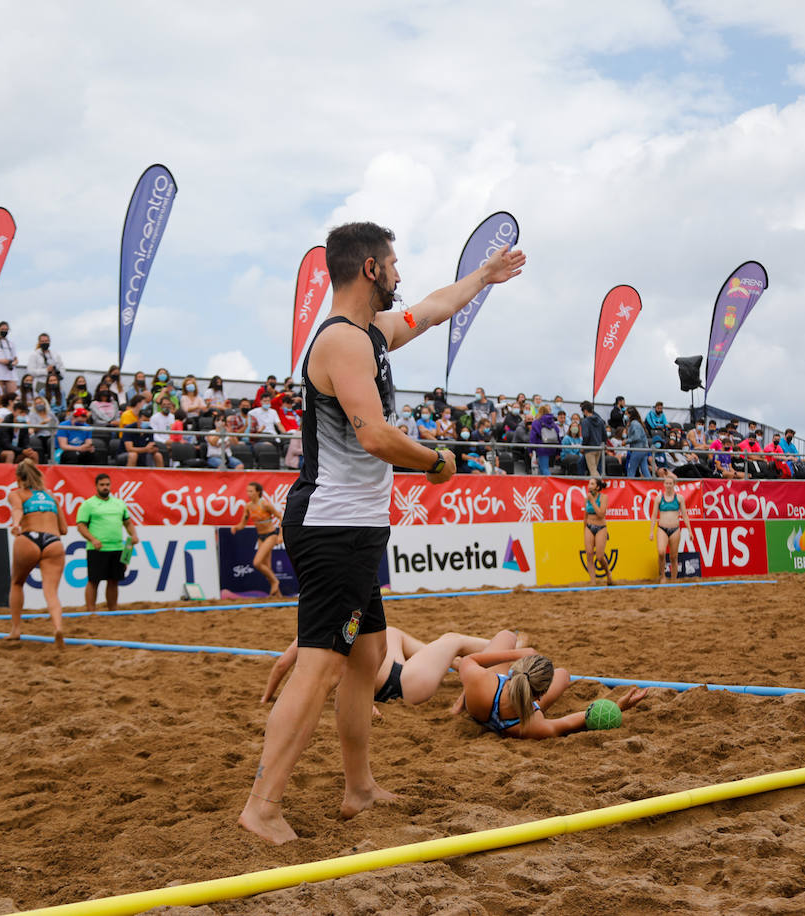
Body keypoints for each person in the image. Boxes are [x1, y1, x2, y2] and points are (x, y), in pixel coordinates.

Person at [240, 221, 524, 845]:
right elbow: (372, 436)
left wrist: (484, 277)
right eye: (393, 264)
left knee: (366, 660)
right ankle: (262, 806)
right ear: (369, 269)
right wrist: (437, 462)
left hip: (356, 526)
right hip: (334, 525)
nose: (400, 275)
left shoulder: (373, 334)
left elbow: (431, 309)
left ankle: (359, 788)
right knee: (318, 667)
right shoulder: (343, 341)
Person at [263, 627, 514, 709]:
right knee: (452, 639)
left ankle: (452, 661)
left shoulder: (309, 633)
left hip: (389, 679)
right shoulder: (344, 622)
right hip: (402, 684)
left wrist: (266, 698)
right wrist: (366, 707)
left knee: (392, 633)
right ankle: (507, 648)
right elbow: (341, 674)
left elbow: (282, 664)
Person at [454, 638, 646, 739]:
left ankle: (462, 697)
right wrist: (617, 707)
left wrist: (519, 652)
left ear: (515, 670)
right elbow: (572, 721)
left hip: (483, 701)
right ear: (540, 696)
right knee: (562, 674)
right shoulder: (535, 725)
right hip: (514, 717)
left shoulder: (480, 681)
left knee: (506, 635)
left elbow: (468, 660)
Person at [7, 459, 67, 645]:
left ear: (18, 477)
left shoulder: (17, 494)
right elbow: (64, 529)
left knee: (17, 583)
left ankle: (16, 629)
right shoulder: (51, 496)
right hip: (53, 541)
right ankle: (58, 627)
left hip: (29, 538)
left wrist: (16, 524)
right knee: (51, 592)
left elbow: (17, 510)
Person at [76, 473, 138, 614]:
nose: (105, 487)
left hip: (117, 547)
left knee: (114, 580)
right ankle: (91, 611)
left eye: (107, 485)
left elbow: (127, 522)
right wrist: (92, 539)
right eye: (102, 485)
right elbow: (80, 526)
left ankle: (113, 610)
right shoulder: (88, 504)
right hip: (97, 549)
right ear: (96, 486)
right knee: (94, 581)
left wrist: (133, 535)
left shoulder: (119, 503)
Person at [231, 481, 283, 597]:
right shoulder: (248, 506)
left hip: (271, 535)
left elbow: (281, 517)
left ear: (258, 492)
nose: (248, 493)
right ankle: (278, 596)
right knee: (267, 568)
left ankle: (275, 582)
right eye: (247, 491)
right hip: (261, 537)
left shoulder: (265, 505)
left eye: (251, 491)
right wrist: (236, 527)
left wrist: (281, 536)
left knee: (257, 562)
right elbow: (242, 524)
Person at [649, 473, 695, 582]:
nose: (668, 485)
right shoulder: (659, 498)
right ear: (663, 485)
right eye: (666, 483)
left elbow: (684, 515)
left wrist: (690, 531)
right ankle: (663, 576)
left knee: (674, 557)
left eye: (670, 483)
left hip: (675, 529)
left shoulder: (679, 498)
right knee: (661, 552)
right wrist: (651, 531)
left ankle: (674, 579)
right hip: (662, 528)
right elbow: (654, 515)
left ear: (674, 484)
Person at [583, 477, 614, 586]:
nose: (589, 486)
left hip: (600, 527)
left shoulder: (603, 497)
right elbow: (585, 515)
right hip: (589, 526)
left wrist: (592, 501)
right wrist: (584, 529)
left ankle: (608, 573)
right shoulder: (587, 498)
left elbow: (601, 514)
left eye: (591, 484)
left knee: (600, 556)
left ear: (597, 487)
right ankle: (593, 582)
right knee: (589, 554)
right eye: (588, 483)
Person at [624, 406, 650, 478]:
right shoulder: (637, 423)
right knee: (644, 469)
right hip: (644, 449)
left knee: (631, 469)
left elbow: (637, 436)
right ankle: (651, 484)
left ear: (630, 414)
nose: (625, 416)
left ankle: (630, 486)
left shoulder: (634, 423)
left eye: (626, 414)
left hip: (638, 449)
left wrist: (626, 441)